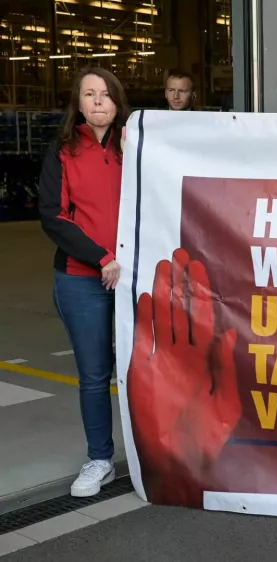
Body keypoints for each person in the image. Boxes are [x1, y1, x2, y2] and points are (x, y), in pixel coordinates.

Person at [38, 66, 129, 497]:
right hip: (81, 279)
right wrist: (101, 257)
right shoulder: (63, 151)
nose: (97, 101)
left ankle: (155, 451)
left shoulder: (137, 147)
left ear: (117, 101)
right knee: (94, 375)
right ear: (78, 102)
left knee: (147, 368)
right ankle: (99, 459)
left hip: (134, 276)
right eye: (89, 94)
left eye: (105, 94)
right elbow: (52, 216)